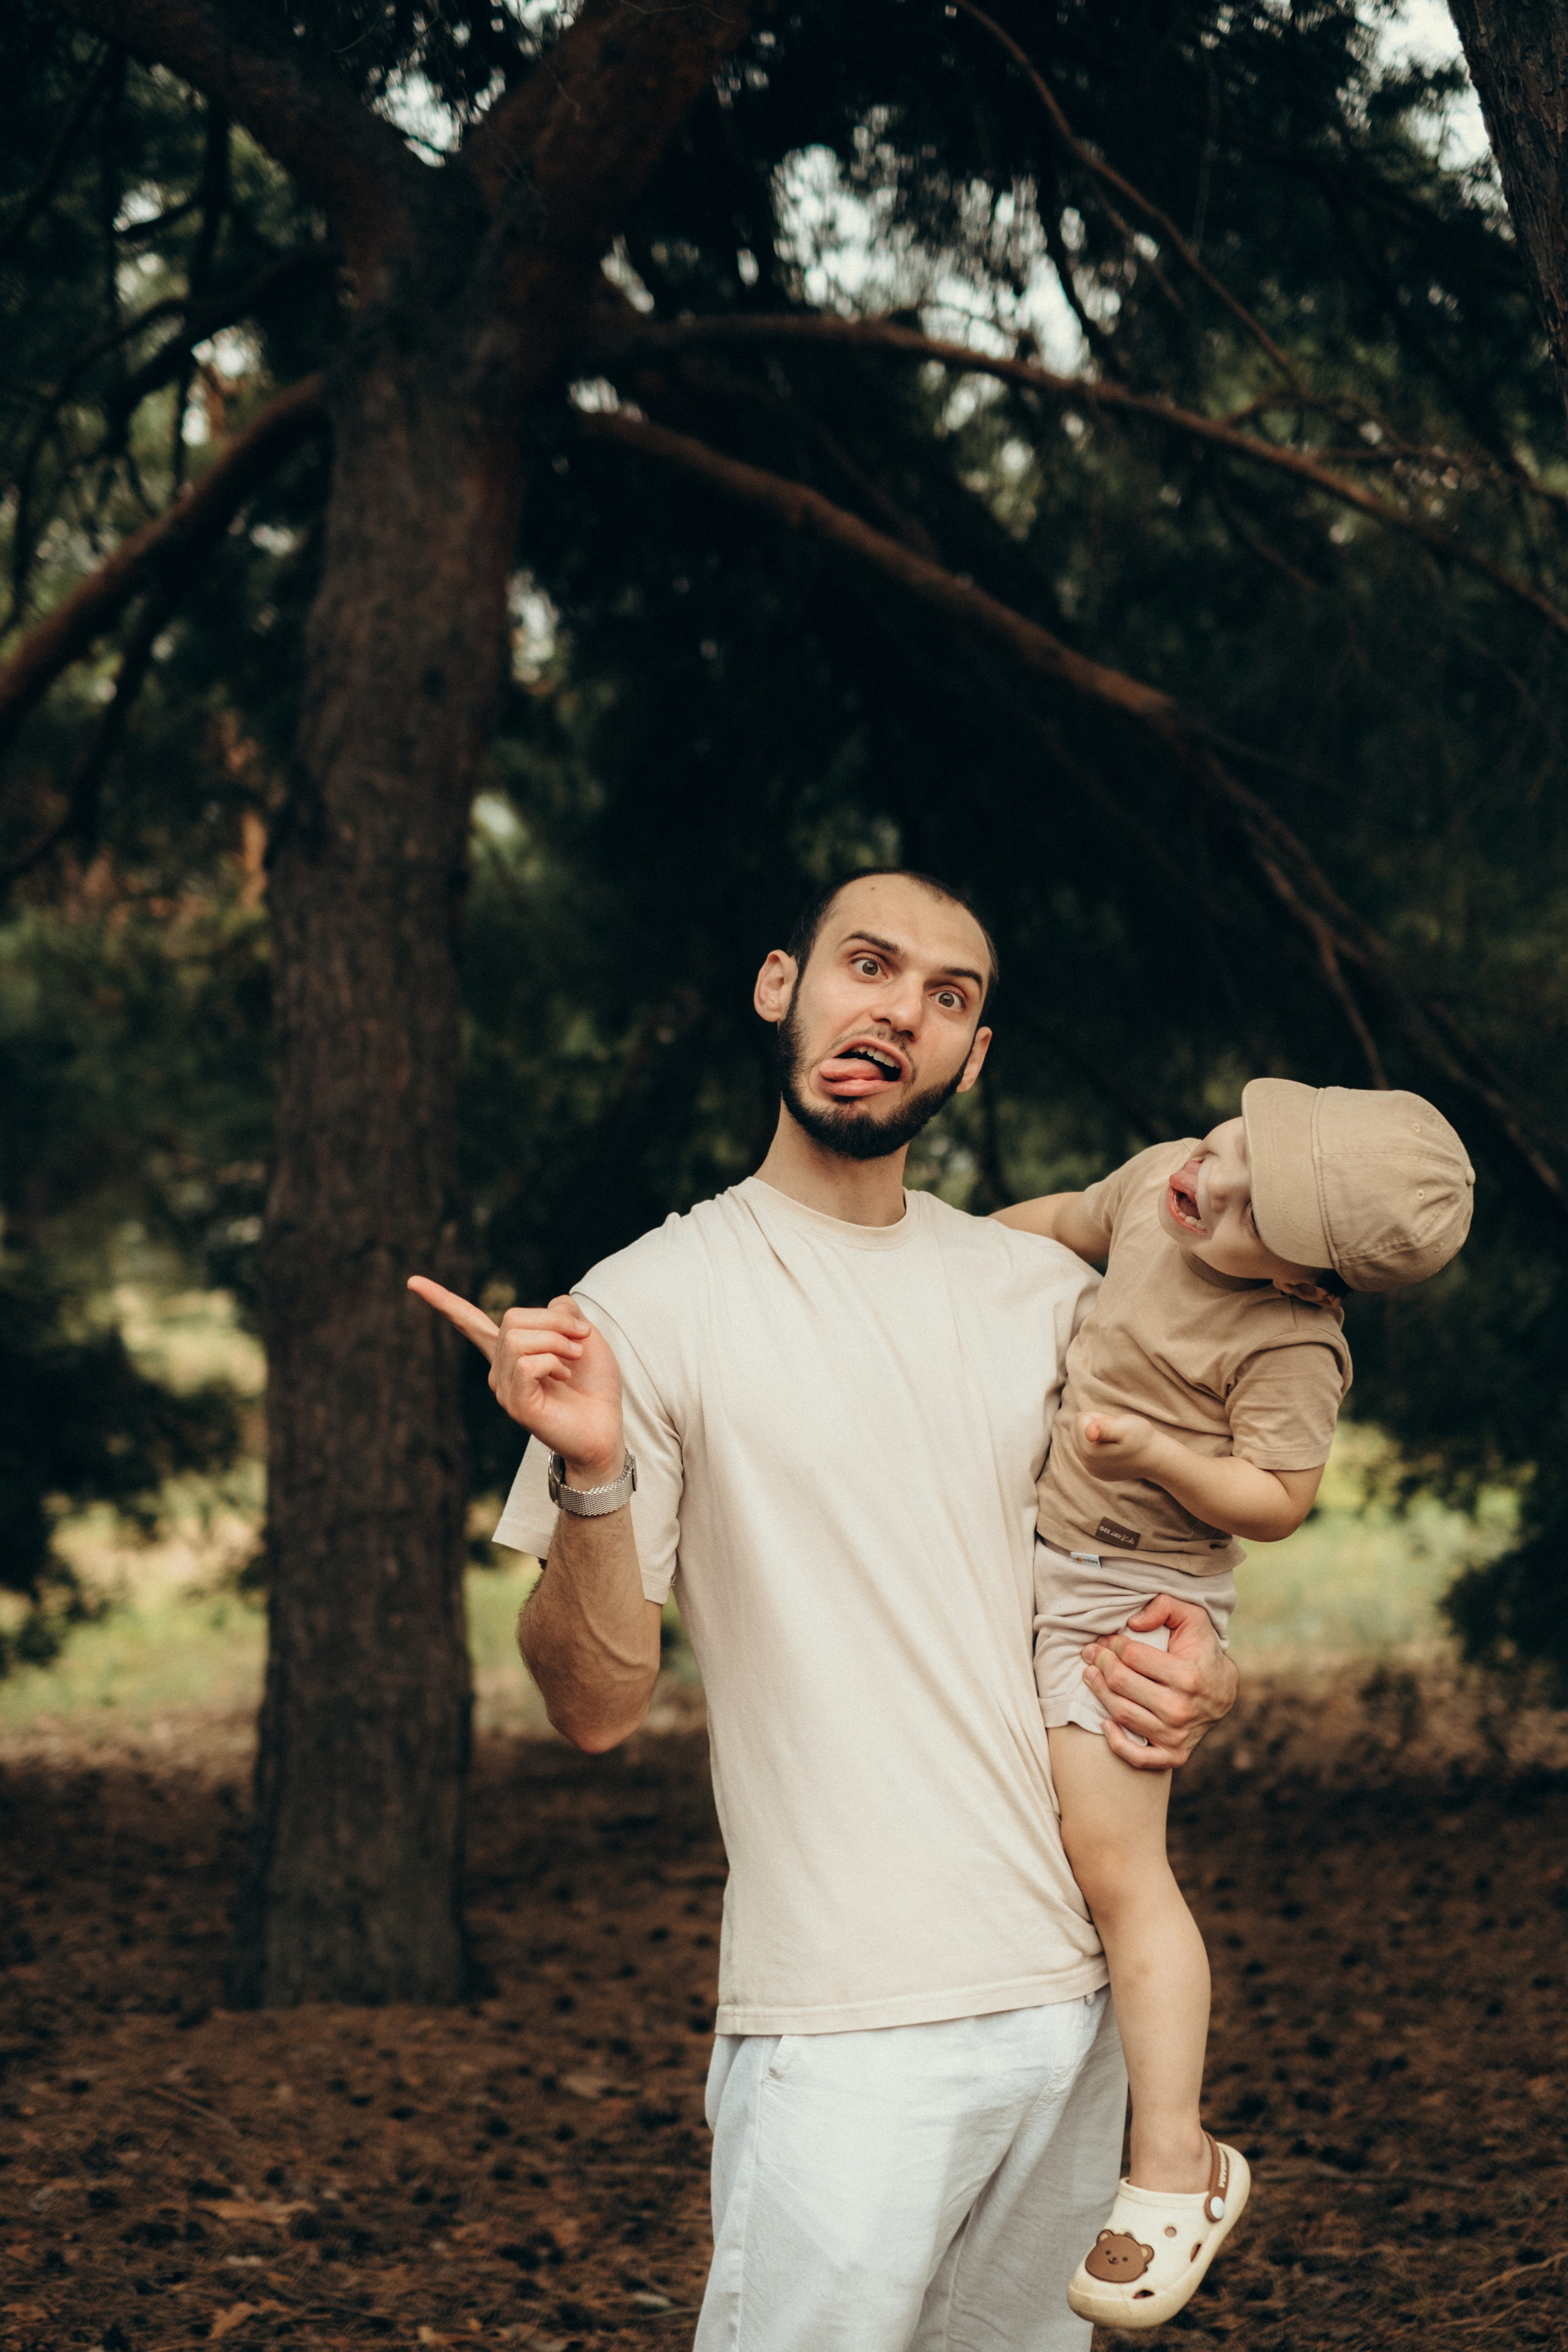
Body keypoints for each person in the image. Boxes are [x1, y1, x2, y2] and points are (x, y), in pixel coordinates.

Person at [410, 867, 1238, 2352]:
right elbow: (593, 1705)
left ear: (969, 1058)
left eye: (947, 996)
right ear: (780, 985)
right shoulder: (647, 1304)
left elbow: (1138, 1574)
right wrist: (592, 1477)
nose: (897, 1011)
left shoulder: (1041, 1294)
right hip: (847, 2026)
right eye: (869, 965)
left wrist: (1196, 1670)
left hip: (1080, 2003)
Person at [996, 1084, 1474, 2329]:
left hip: (1130, 1597)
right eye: (1233, 1146)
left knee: (1115, 1869)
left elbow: (1275, 1498)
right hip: (1035, 1557)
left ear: (1307, 1284)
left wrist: (1154, 1456)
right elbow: (1058, 1218)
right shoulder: (1163, 1180)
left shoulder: (1288, 1346)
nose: (1210, 1184)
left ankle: (1173, 2162)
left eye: (1254, 1208)